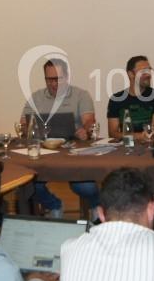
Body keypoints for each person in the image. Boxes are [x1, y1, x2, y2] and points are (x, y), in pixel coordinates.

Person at [22, 58, 98, 218]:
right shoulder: (35, 98)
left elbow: (89, 121)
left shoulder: (81, 95)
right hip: (43, 154)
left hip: (74, 154)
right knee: (28, 183)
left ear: (67, 77)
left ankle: (96, 208)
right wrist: (28, 130)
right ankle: (53, 205)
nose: (54, 84)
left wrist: (85, 130)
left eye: (58, 79)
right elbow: (24, 125)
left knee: (87, 188)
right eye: (50, 79)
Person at [107, 55, 154, 138]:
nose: (148, 74)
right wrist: (139, 136)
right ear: (131, 74)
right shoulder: (116, 99)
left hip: (151, 147)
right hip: (126, 147)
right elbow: (113, 133)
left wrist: (129, 136)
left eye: (149, 70)